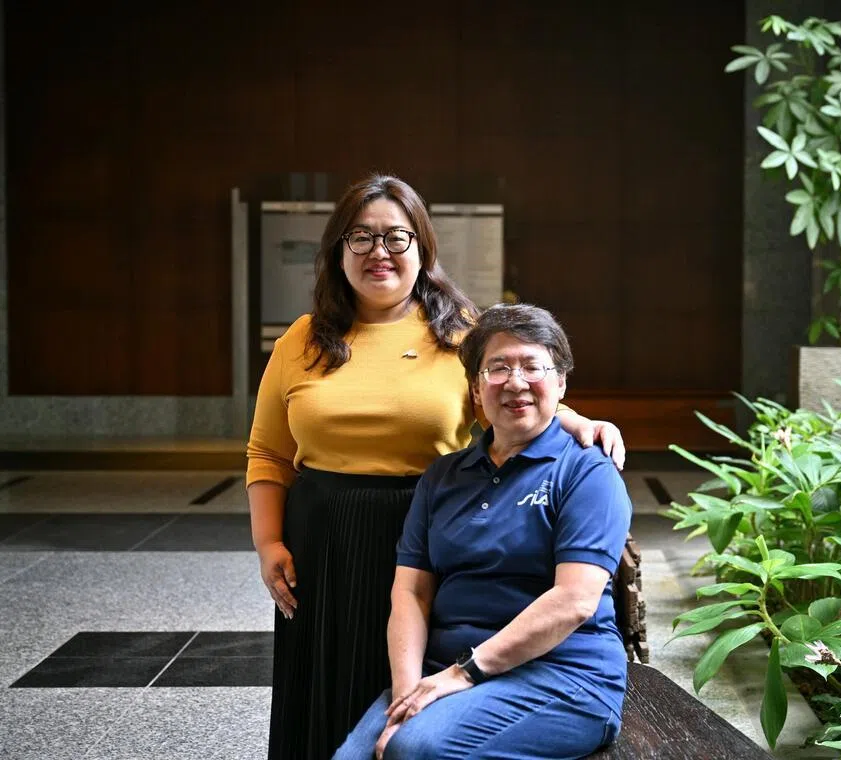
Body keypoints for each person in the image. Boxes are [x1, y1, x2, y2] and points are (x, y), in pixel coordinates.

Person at [246, 174, 625, 760]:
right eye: (361, 237)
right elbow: (268, 452)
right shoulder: (302, 338)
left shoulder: (458, 330)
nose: (379, 252)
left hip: (428, 521)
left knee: (413, 671)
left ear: (422, 248)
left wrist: (581, 425)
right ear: (338, 250)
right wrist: (269, 540)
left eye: (396, 238)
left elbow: (514, 383)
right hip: (324, 532)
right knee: (325, 681)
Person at [333, 303, 632, 760]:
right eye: (497, 368)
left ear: (561, 382)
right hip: (446, 669)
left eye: (533, 366)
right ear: (476, 387)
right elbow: (411, 594)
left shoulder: (588, 472)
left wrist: (463, 675)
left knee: (415, 751)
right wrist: (408, 696)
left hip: (563, 676)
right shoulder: (443, 477)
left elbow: (574, 601)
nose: (515, 382)